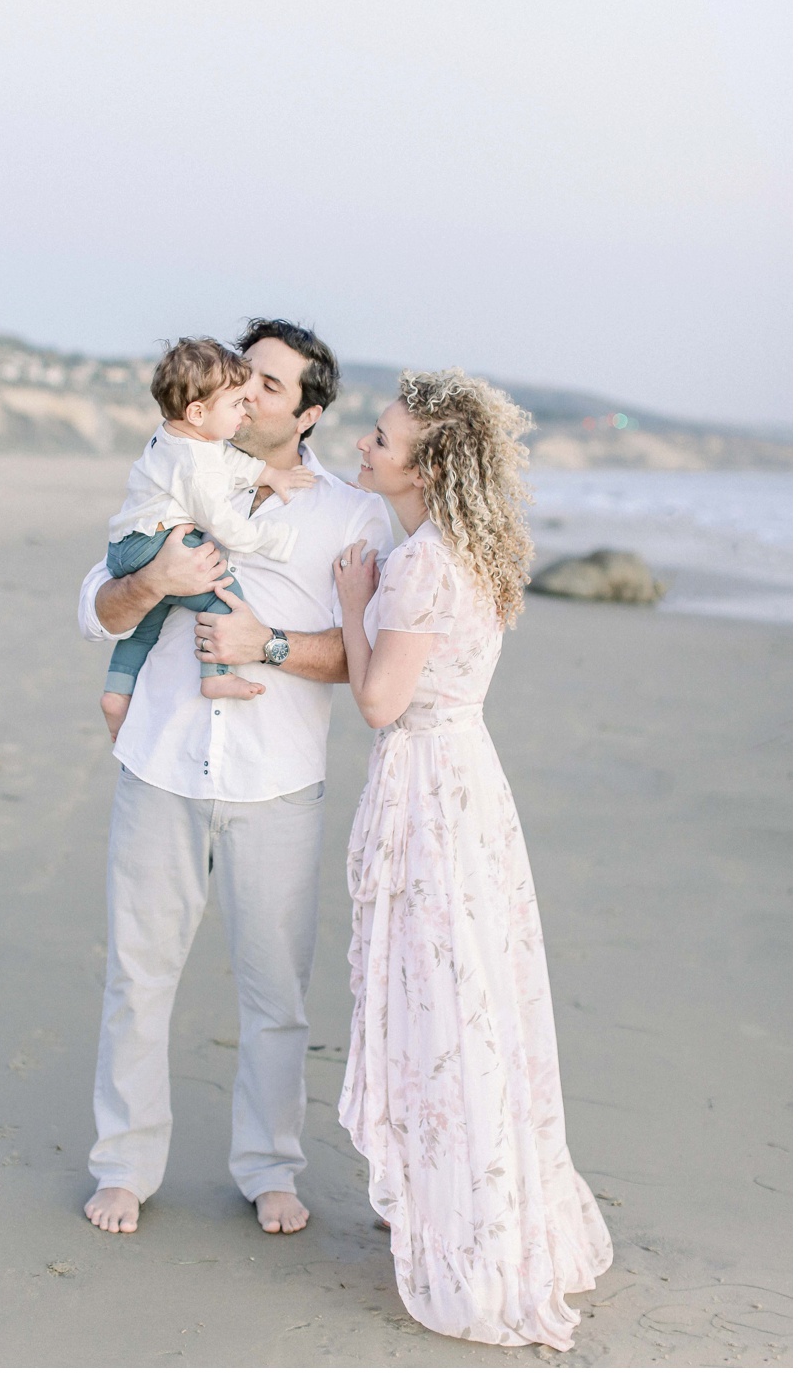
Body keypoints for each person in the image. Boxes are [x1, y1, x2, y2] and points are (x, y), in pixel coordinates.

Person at [78, 320, 395, 1237]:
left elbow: (369, 657)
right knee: (138, 979)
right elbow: (100, 605)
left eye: (269, 383)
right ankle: (125, 1167)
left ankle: (268, 1166)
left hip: (278, 787)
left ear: (310, 411)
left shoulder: (351, 514)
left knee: (276, 999)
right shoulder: (180, 466)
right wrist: (154, 580)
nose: (248, 393)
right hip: (161, 765)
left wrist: (273, 644)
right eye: (241, 377)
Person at [332, 368, 613, 1350]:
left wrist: (353, 604)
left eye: (381, 437)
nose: (364, 445)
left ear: (430, 464)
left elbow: (378, 703)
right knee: (478, 994)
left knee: (442, 998)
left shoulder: (412, 566)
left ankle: (466, 1227)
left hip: (428, 788)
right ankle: (462, 1197)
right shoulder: (475, 548)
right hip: (470, 783)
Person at [100, 335, 315, 740]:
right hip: (154, 545)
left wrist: (269, 474)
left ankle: (116, 691)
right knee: (222, 594)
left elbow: (228, 461)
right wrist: (269, 540)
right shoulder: (194, 466)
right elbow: (223, 523)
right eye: (237, 402)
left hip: (128, 544)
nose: (245, 403)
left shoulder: (183, 439)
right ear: (198, 411)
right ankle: (215, 675)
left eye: (264, 387)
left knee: (147, 625)